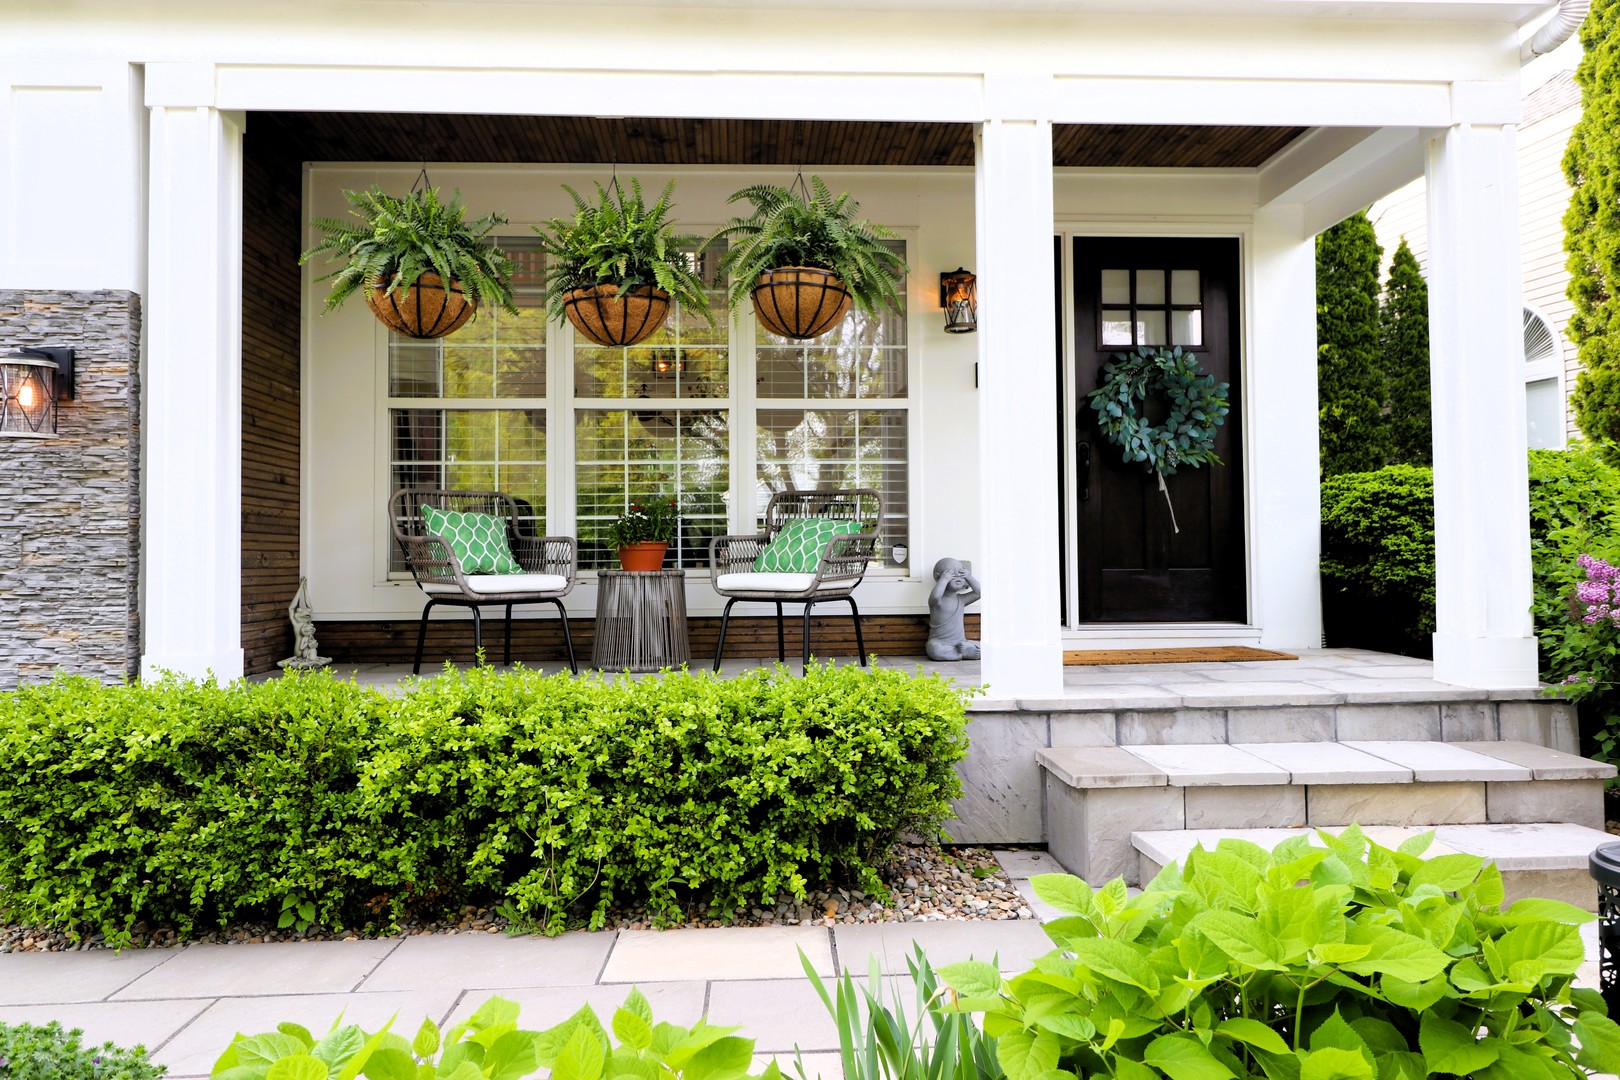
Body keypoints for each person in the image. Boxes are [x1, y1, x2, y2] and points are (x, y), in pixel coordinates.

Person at [926, 557, 982, 661]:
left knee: (985, 645)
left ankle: (963, 651)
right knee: (933, 648)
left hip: (960, 643)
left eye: (961, 574)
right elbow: (935, 596)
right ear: (938, 577)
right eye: (952, 574)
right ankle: (965, 653)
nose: (958, 577)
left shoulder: (961, 599)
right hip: (941, 642)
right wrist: (944, 579)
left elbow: (980, 593)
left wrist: (969, 577)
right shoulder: (937, 602)